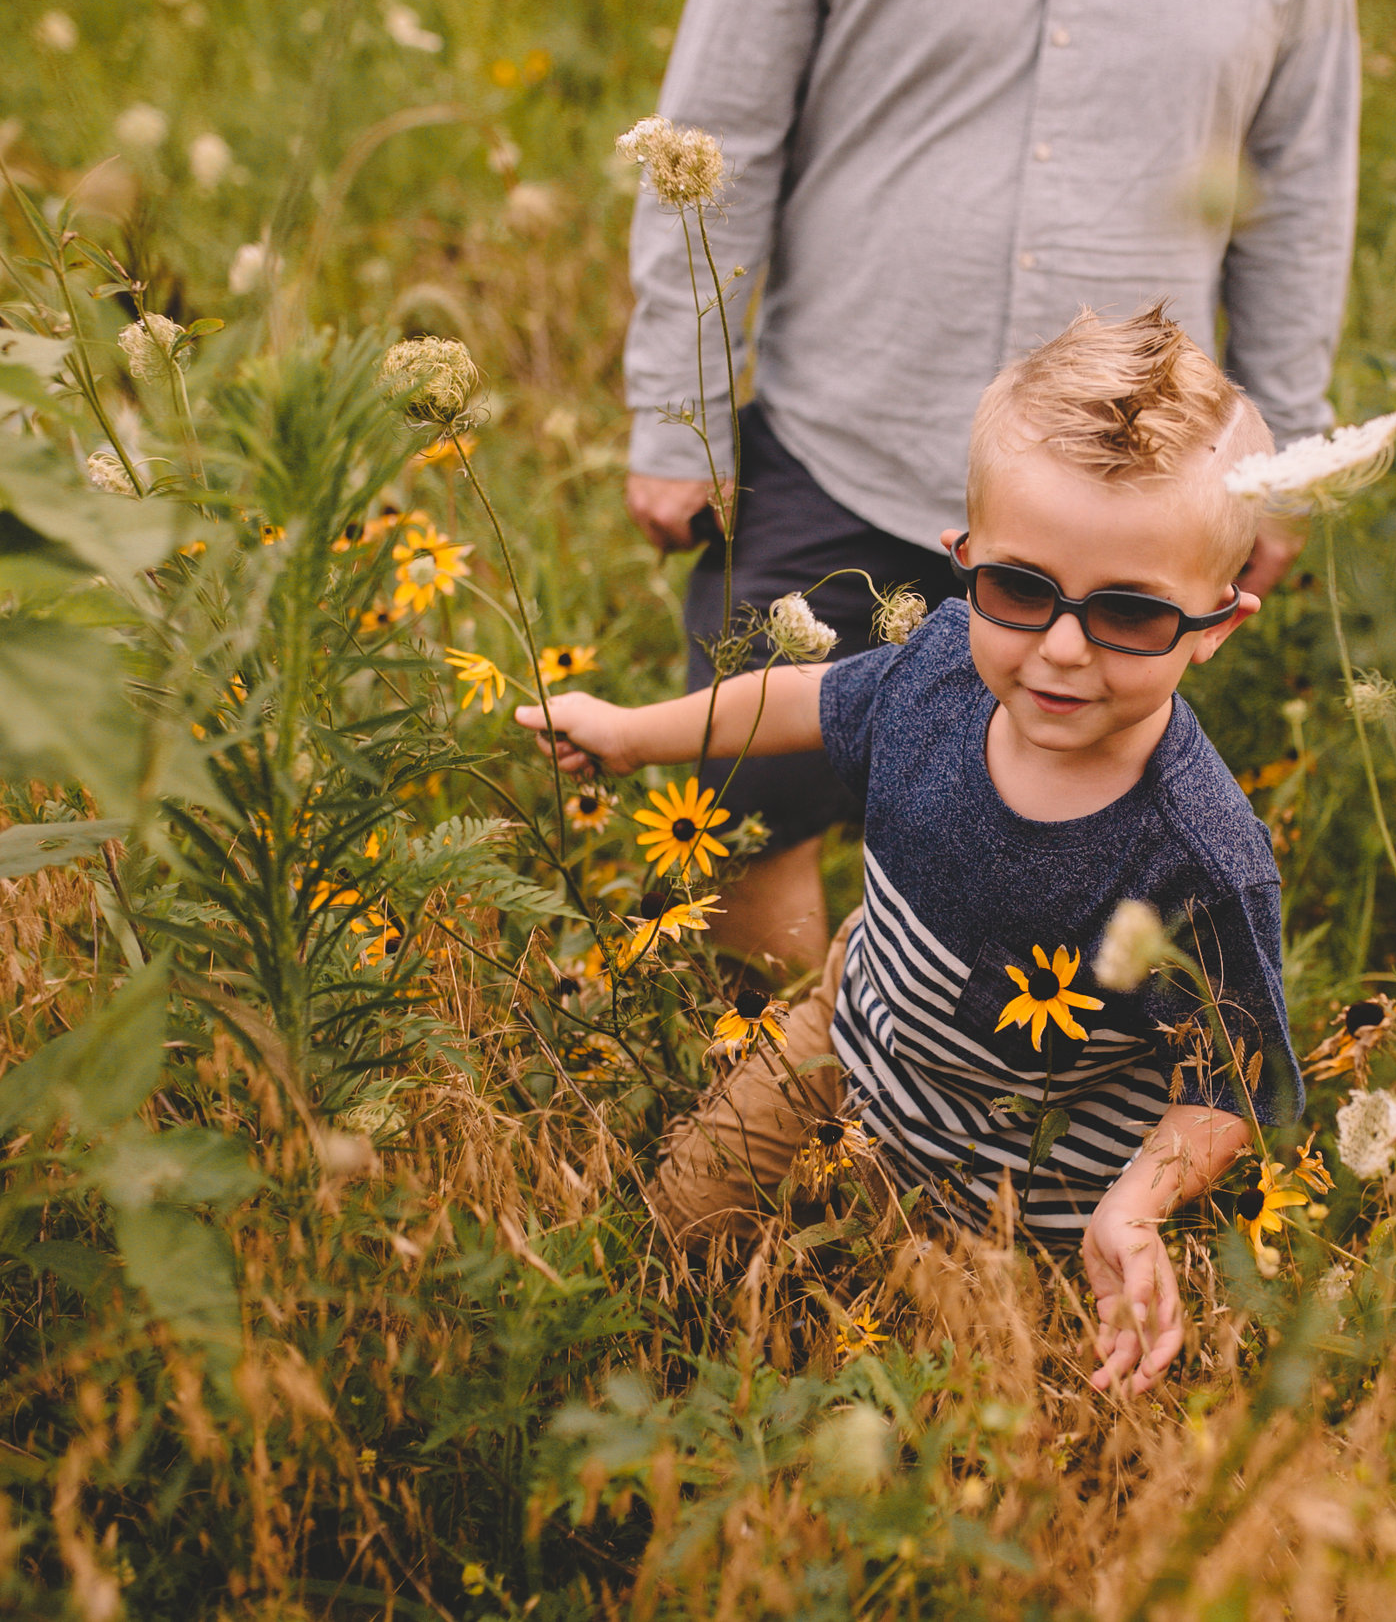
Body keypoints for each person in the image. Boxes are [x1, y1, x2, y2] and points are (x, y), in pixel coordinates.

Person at [526, 309, 1302, 1394]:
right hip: (847, 1035)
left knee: (968, 1406)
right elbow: (800, 696)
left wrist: (1135, 1206)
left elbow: (1235, 1076)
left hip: (1028, 1195)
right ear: (964, 562)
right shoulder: (938, 667)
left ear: (1217, 622)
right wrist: (627, 729)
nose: (1063, 647)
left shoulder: (1200, 853)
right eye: (1022, 590)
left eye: (1127, 613)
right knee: (670, 1239)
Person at [620, 0, 1360, 973]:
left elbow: (1298, 194)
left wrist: (1281, 475)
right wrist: (677, 409)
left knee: (1062, 842)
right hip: (847, 435)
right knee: (751, 803)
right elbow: (714, 131)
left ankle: (958, 1112)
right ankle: (784, 1107)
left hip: (1124, 520)